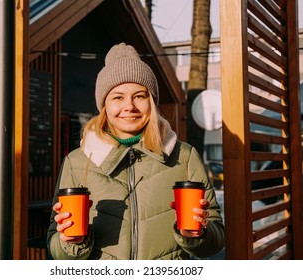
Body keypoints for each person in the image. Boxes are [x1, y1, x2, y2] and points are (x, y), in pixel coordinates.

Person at [47, 43, 225, 260]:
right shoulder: (77, 161)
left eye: (139, 96)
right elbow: (55, 247)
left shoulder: (184, 156)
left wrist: (198, 235)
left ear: (151, 102)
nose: (129, 106)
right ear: (104, 105)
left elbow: (216, 240)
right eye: (118, 97)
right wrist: (71, 243)